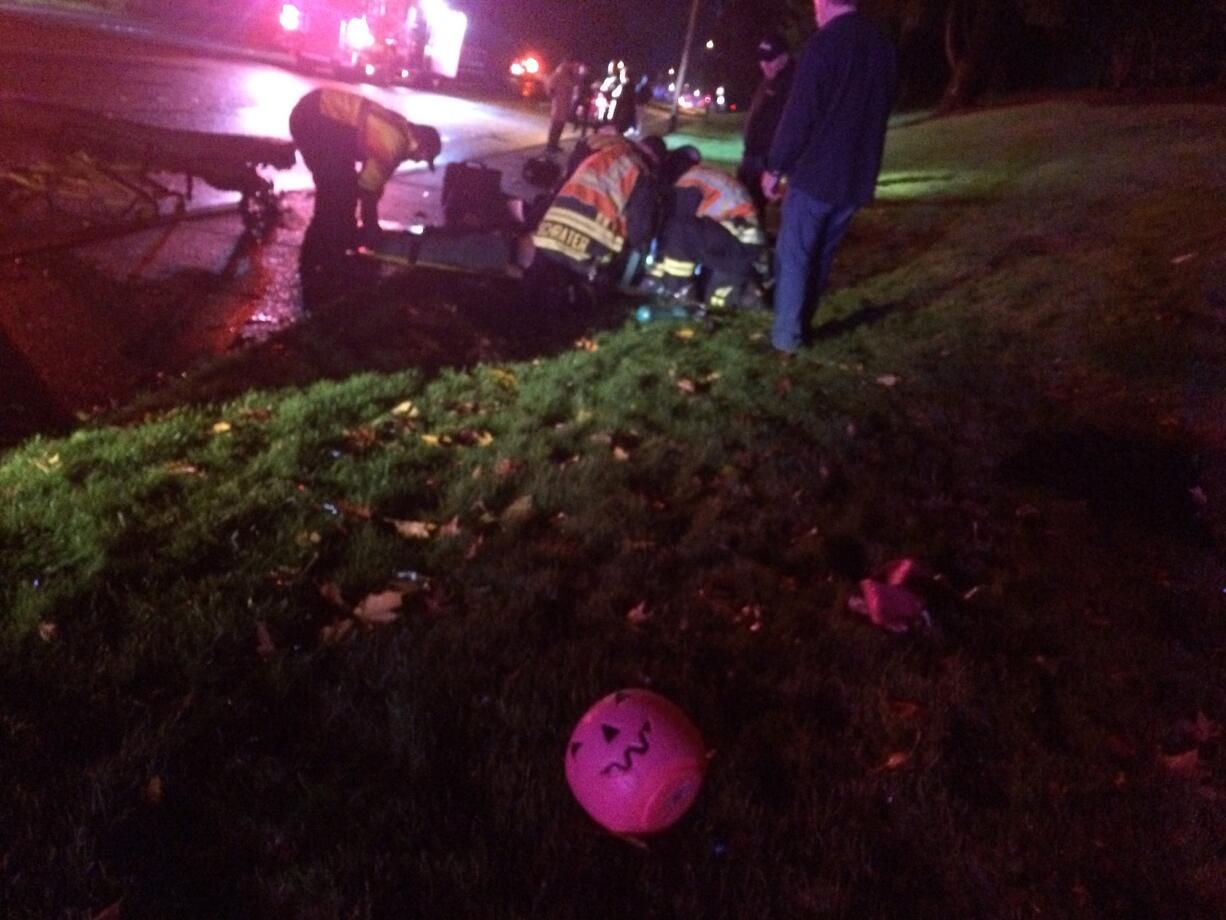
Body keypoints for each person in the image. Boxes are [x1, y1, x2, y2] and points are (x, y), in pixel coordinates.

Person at [762, 0, 896, 353]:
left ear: (824, 3)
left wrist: (776, 166)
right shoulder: (881, 45)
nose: (813, 10)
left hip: (817, 173)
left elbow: (801, 112)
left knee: (795, 254)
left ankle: (787, 338)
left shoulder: (825, 44)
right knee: (821, 255)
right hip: (857, 174)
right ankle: (802, 322)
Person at [288, 88, 442, 270]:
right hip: (313, 118)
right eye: (424, 157)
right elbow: (368, 190)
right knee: (335, 191)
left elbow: (373, 181)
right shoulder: (395, 144)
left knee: (343, 187)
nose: (418, 160)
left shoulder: (401, 129)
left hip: (317, 113)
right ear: (421, 144)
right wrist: (371, 228)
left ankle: (330, 248)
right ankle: (317, 258)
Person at [530, 133, 663, 288]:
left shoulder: (602, 154)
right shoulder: (642, 173)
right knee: (571, 304)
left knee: (532, 298)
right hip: (586, 254)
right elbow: (639, 232)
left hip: (550, 236)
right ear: (654, 158)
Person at [646, 146, 768, 309]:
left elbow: (677, 234)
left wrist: (656, 275)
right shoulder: (705, 175)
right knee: (712, 294)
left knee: (678, 229)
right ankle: (746, 294)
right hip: (743, 248)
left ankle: (678, 291)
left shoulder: (688, 182)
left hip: (736, 244)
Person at [739, 32, 795, 216]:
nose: (764, 65)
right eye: (762, 60)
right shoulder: (770, 79)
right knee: (744, 202)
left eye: (770, 60)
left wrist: (776, 166)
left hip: (766, 159)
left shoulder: (791, 84)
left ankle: (752, 241)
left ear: (784, 57)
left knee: (753, 207)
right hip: (753, 154)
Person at [546, 58, 583, 153]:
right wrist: (554, 96)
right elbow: (551, 87)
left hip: (565, 103)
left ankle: (554, 144)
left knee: (559, 125)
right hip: (560, 103)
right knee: (556, 125)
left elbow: (576, 83)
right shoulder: (560, 74)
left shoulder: (567, 74)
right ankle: (551, 145)